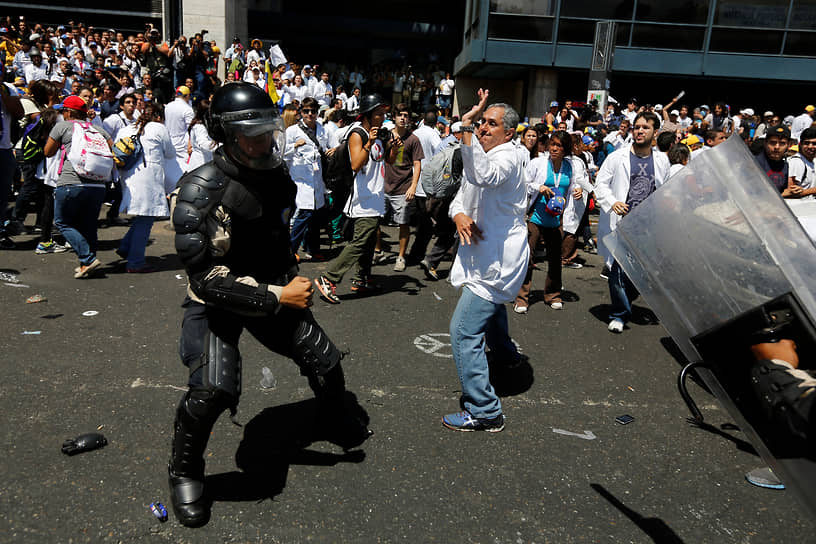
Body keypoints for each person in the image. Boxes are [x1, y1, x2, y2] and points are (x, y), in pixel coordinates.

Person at [167, 82, 371, 527]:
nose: (262, 142)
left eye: (268, 132)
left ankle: (331, 418)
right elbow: (205, 278)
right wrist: (279, 295)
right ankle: (185, 471)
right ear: (224, 135)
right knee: (212, 390)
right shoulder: (201, 190)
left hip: (274, 286)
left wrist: (288, 274)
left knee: (325, 361)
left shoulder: (275, 173)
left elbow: (277, 235)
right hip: (218, 300)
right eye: (251, 135)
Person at [440, 89, 528, 433]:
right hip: (483, 255)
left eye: (491, 124)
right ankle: (506, 357)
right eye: (481, 123)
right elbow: (461, 196)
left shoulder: (508, 157)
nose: (483, 129)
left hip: (497, 261)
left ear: (509, 133)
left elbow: (485, 176)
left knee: (463, 331)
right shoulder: (483, 154)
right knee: (492, 313)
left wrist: (463, 130)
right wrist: (459, 215)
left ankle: (485, 410)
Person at [314, 94, 397, 303]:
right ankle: (328, 278)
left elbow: (390, 161)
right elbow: (356, 165)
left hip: (376, 197)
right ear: (368, 114)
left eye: (384, 114)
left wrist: (394, 145)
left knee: (368, 241)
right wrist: (369, 142)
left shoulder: (378, 134)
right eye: (379, 114)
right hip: (361, 198)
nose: (383, 117)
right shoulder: (357, 134)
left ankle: (362, 278)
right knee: (359, 241)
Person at [594, 112, 670, 333]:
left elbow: (664, 190)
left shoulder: (662, 160)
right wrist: (612, 202)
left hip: (649, 226)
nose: (639, 131)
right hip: (623, 223)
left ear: (655, 133)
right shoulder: (617, 157)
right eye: (637, 127)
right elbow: (600, 183)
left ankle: (625, 298)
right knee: (617, 271)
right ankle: (619, 314)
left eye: (645, 127)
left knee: (643, 273)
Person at [513, 130, 586, 314]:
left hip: (556, 219)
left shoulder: (570, 166)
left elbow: (574, 184)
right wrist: (540, 186)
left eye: (559, 146)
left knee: (555, 259)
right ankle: (521, 297)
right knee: (527, 257)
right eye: (552, 144)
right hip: (535, 217)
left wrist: (578, 191)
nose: (554, 148)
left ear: (565, 149)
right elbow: (524, 183)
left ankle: (553, 294)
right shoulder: (538, 163)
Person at [43, 95, 114, 277]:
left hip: (70, 182)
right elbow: (112, 150)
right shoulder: (98, 129)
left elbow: (48, 152)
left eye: (63, 110)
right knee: (89, 224)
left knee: (62, 222)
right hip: (98, 185)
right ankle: (86, 264)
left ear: (68, 112)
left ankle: (88, 259)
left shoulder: (63, 126)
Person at [115, 102, 175, 272]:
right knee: (147, 218)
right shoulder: (158, 127)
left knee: (142, 216)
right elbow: (170, 152)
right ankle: (135, 262)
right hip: (148, 176)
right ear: (158, 116)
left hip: (128, 175)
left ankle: (127, 247)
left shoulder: (127, 128)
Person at [375, 103, 424, 271]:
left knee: (403, 224)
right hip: (382, 186)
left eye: (406, 115)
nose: (403, 118)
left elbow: (417, 164)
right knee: (374, 222)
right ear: (394, 118)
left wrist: (413, 186)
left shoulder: (413, 139)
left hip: (403, 188)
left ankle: (401, 257)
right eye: (400, 115)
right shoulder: (385, 136)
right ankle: (378, 249)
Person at [283, 96, 329, 261]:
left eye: (313, 111)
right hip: (300, 180)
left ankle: (313, 249)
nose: (309, 114)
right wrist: (295, 145)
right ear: (300, 112)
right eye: (306, 111)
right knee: (304, 215)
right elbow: (281, 152)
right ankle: (290, 250)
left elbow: (329, 146)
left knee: (316, 217)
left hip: (317, 179)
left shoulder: (322, 129)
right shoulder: (292, 131)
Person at [0, 65, 24, 249]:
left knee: (2, 194)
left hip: (4, 147)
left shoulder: (8, 88)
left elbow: (19, 112)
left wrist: (3, 94)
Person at [754, 125, 797, 197]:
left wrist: (794, 191)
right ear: (765, 143)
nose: (777, 147)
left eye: (782, 143)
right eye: (773, 143)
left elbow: (784, 190)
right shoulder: (754, 163)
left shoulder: (785, 165)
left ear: (789, 145)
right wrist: (782, 195)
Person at [164, 85, 194, 168]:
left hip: (169, 141)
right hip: (182, 144)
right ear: (187, 95)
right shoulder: (187, 109)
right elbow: (191, 129)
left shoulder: (168, 106)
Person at [184, 99, 217, 172]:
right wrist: (219, 146)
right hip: (200, 164)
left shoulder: (201, 125)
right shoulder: (200, 127)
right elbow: (203, 144)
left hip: (205, 162)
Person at [787, 127, 816, 200]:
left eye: (814, 143)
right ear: (800, 144)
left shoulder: (812, 161)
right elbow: (789, 192)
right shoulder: (797, 162)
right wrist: (813, 190)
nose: (810, 146)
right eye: (806, 143)